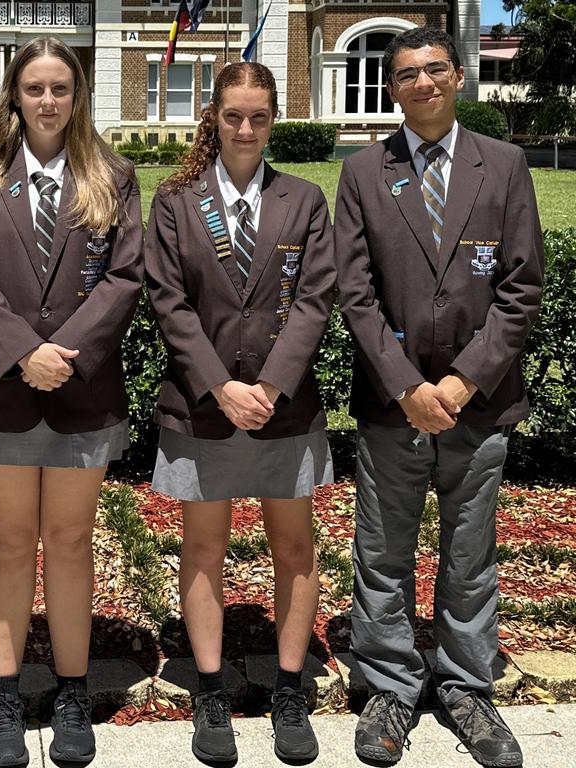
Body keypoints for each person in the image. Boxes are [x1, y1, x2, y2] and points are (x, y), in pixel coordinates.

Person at [335, 27, 544, 767]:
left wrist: (460, 381)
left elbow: (521, 288)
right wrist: (407, 385)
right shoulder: (362, 172)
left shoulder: (507, 165)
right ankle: (389, 685)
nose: (421, 82)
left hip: (478, 402)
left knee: (469, 554)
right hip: (392, 404)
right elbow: (353, 294)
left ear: (458, 76)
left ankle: (465, 689)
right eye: (406, 74)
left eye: (433, 69)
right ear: (392, 88)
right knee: (382, 551)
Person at [0, 36, 143, 768]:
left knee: (67, 542)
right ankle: (3, 695)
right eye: (35, 88)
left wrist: (64, 354)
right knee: (5, 542)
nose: (49, 101)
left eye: (61, 87)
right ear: (15, 97)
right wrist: (23, 350)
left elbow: (126, 276)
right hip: (0, 390)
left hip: (81, 390)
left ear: (78, 95)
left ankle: (69, 691)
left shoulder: (111, 174)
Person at [144, 61, 336, 763]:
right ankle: (211, 691)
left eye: (259, 116)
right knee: (204, 549)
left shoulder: (305, 200)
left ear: (273, 118)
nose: (246, 129)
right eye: (234, 116)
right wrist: (221, 385)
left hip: (286, 410)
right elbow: (168, 300)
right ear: (214, 117)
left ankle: (290, 688)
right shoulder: (174, 201)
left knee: (294, 548)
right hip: (204, 406)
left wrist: (275, 384)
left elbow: (316, 300)